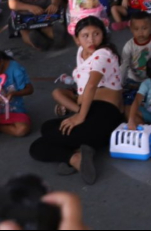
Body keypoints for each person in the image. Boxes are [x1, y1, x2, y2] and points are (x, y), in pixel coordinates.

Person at [32, 17, 124, 184]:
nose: (91, 40)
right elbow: (82, 90)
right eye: (85, 35)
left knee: (43, 138)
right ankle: (79, 154)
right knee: (42, 137)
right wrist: (79, 110)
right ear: (76, 39)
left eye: (96, 34)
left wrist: (80, 116)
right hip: (91, 114)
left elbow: (90, 86)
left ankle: (75, 156)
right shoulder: (81, 53)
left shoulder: (103, 54)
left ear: (103, 35)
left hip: (106, 114)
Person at [118, 11, 151, 87]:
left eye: (144, 28)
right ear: (131, 29)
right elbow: (124, 66)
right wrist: (120, 84)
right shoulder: (129, 46)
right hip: (133, 79)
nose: (140, 32)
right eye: (136, 29)